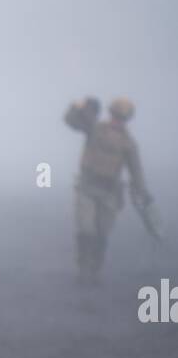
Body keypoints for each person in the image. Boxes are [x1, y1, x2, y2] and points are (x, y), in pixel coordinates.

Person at [64, 96, 155, 282]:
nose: (117, 121)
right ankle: (83, 269)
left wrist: (142, 193)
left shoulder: (128, 143)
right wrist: (76, 107)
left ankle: (95, 269)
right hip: (87, 187)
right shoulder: (95, 129)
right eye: (116, 116)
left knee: (101, 233)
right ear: (111, 114)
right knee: (86, 228)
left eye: (121, 118)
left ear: (126, 120)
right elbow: (71, 121)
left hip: (110, 193)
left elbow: (136, 171)